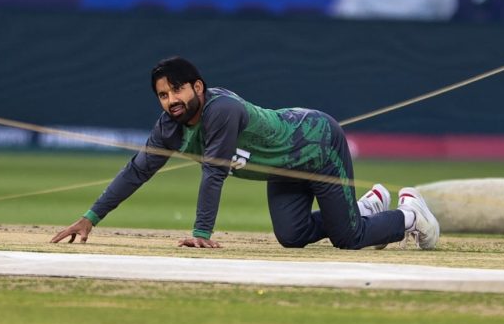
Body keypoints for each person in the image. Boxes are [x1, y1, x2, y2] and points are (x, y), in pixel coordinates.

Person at [51, 57, 440, 250]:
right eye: (163, 95)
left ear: (198, 87)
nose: (171, 101)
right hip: (284, 169)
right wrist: (90, 219)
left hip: (317, 145)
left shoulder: (221, 110)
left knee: (348, 238)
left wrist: (201, 234)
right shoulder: (169, 127)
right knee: (292, 236)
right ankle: (367, 206)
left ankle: (410, 214)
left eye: (177, 91)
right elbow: (137, 171)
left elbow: (214, 172)